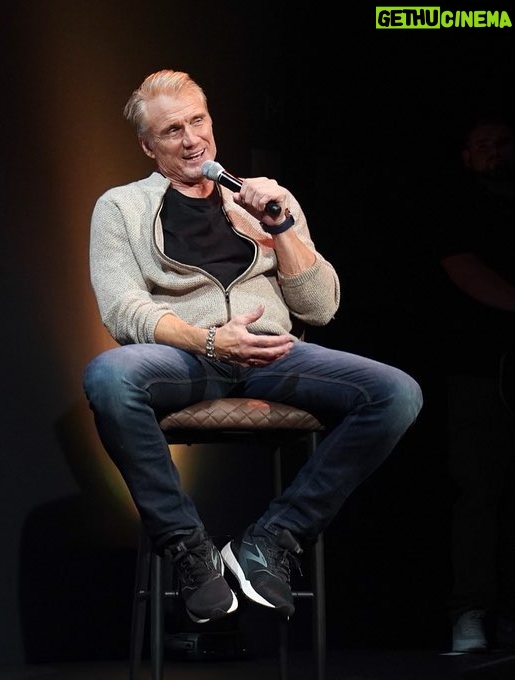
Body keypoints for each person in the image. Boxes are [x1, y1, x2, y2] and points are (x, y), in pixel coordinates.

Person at [82, 69, 423, 625]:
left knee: (396, 394)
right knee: (109, 377)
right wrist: (210, 339)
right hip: (187, 355)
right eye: (172, 131)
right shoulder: (120, 207)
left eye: (199, 121)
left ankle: (271, 541)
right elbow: (124, 308)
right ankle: (191, 551)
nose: (192, 139)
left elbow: (320, 307)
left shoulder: (263, 201)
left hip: (271, 354)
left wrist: (282, 226)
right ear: (149, 145)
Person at [436, 113, 515, 653]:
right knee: (478, 491)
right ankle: (471, 611)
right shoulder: (457, 206)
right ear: (466, 156)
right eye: (480, 143)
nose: (491, 151)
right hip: (479, 368)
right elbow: (464, 269)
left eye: (500, 142)